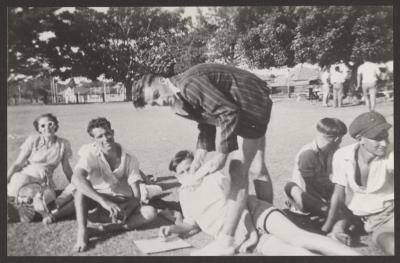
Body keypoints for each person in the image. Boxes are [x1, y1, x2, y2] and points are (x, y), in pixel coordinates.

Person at [133, 63, 273, 254]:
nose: (160, 102)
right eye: (154, 103)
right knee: (257, 167)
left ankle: (227, 240)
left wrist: (222, 156)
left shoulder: (189, 86)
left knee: (237, 170)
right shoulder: (177, 100)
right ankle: (268, 222)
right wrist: (199, 157)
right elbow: (207, 121)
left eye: (157, 95)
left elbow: (227, 112)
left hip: (251, 102)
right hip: (246, 105)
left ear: (162, 80)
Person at [159, 150, 360, 256]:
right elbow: (191, 223)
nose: (188, 174)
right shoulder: (184, 194)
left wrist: (248, 228)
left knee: (300, 238)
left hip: (254, 213)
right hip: (238, 235)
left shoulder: (213, 178)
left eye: (190, 168)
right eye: (182, 173)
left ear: (198, 165)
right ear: (177, 177)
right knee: (291, 253)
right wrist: (173, 230)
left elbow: (235, 193)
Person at [71, 117, 157, 252]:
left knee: (150, 212)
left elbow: (136, 195)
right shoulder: (91, 152)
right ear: (94, 140)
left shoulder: (130, 158)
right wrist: (103, 201)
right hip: (99, 204)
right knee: (79, 190)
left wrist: (127, 211)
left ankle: (99, 231)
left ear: (113, 132)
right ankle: (82, 231)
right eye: (100, 136)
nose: (106, 138)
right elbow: (76, 178)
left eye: (107, 133)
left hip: (122, 204)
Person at [323, 112, 394, 255]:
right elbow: (338, 195)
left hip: (391, 213)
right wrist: (327, 228)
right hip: (370, 221)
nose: (385, 143)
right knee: (392, 247)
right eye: (377, 138)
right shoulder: (342, 156)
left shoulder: (391, 154)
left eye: (385, 136)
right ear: (360, 139)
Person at [284, 118, 359, 244]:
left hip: (323, 196)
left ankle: (337, 231)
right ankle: (338, 226)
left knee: (344, 203)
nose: (340, 142)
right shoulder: (307, 154)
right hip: (308, 198)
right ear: (336, 139)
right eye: (340, 139)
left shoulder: (333, 151)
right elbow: (311, 186)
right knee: (291, 186)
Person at [7, 113, 74, 223]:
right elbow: (18, 164)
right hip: (26, 177)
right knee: (20, 180)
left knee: (45, 199)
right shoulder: (33, 140)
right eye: (42, 126)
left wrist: (74, 184)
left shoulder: (63, 144)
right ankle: (19, 202)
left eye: (50, 124)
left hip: (44, 182)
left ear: (56, 126)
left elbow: (66, 168)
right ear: (39, 129)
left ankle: (23, 203)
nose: (47, 128)